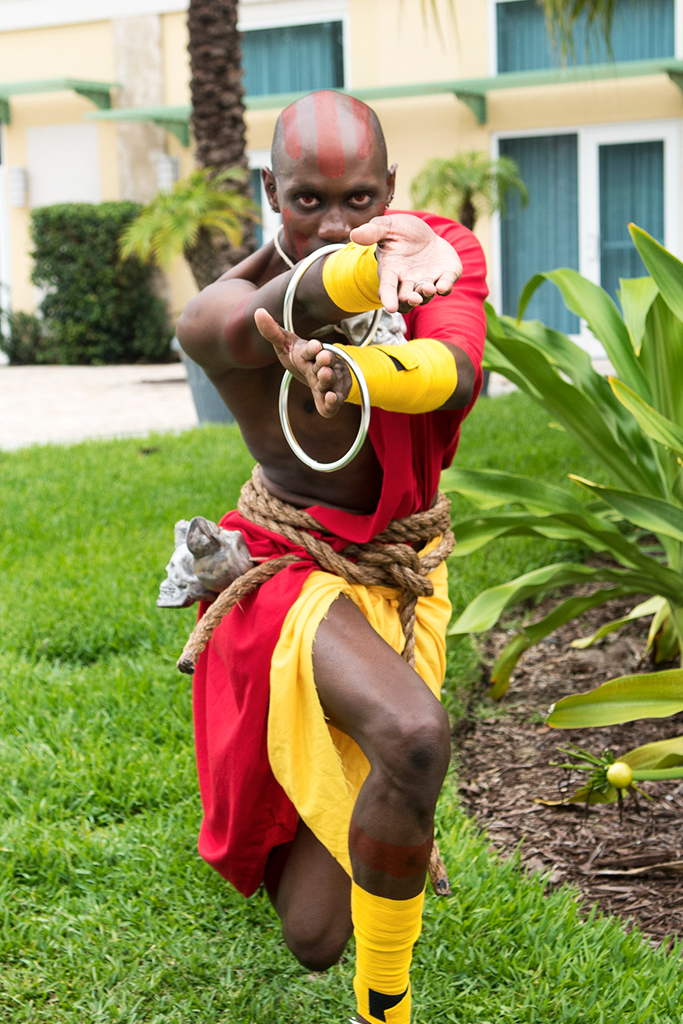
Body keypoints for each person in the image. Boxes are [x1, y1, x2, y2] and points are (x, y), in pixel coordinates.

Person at [176, 89, 487, 1024]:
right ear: (273, 191)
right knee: (416, 735)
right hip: (290, 576)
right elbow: (249, 323)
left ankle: (375, 984)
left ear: (390, 185)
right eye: (308, 199)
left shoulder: (435, 253)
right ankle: (383, 1008)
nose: (339, 222)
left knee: (318, 935)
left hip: (398, 576)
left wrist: (356, 366)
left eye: (359, 199)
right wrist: (359, 275)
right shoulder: (220, 312)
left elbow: (458, 372)